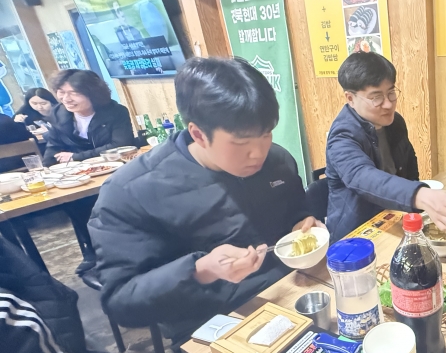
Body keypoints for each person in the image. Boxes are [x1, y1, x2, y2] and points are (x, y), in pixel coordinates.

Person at [88, 57, 322, 338]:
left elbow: (296, 211)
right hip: (215, 325)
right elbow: (121, 302)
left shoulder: (278, 160)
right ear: (198, 134)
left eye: (266, 135)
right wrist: (200, 270)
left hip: (292, 293)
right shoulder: (131, 190)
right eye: (241, 142)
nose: (258, 153)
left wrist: (302, 223)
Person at [326, 52, 446, 242]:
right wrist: (421, 196)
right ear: (350, 98)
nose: (388, 104)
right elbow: (362, 176)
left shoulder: (394, 122)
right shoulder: (342, 135)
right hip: (356, 234)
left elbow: (409, 162)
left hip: (394, 219)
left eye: (391, 92)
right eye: (376, 97)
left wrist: (416, 209)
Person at [43, 69, 135, 165]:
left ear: (93, 94)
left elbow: (121, 145)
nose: (66, 99)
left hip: (113, 164)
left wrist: (77, 156)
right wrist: (45, 168)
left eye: (74, 93)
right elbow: (53, 147)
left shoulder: (116, 111)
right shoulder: (57, 113)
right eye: (61, 92)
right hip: (76, 169)